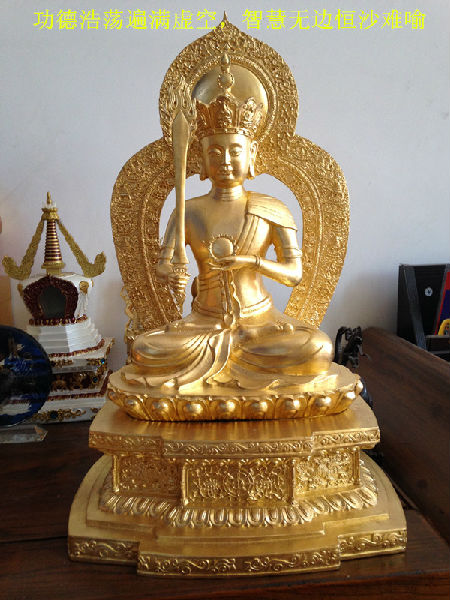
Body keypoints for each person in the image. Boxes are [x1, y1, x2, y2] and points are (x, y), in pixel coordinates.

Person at [124, 56, 333, 393]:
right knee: (146, 349)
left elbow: (294, 274)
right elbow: (163, 267)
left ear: (252, 153)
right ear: (201, 159)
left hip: (261, 324)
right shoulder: (188, 211)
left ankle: (218, 376)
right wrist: (172, 272)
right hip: (203, 324)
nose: (224, 160)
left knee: (316, 348)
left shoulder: (271, 208)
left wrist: (251, 262)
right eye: (215, 152)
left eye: (235, 151)